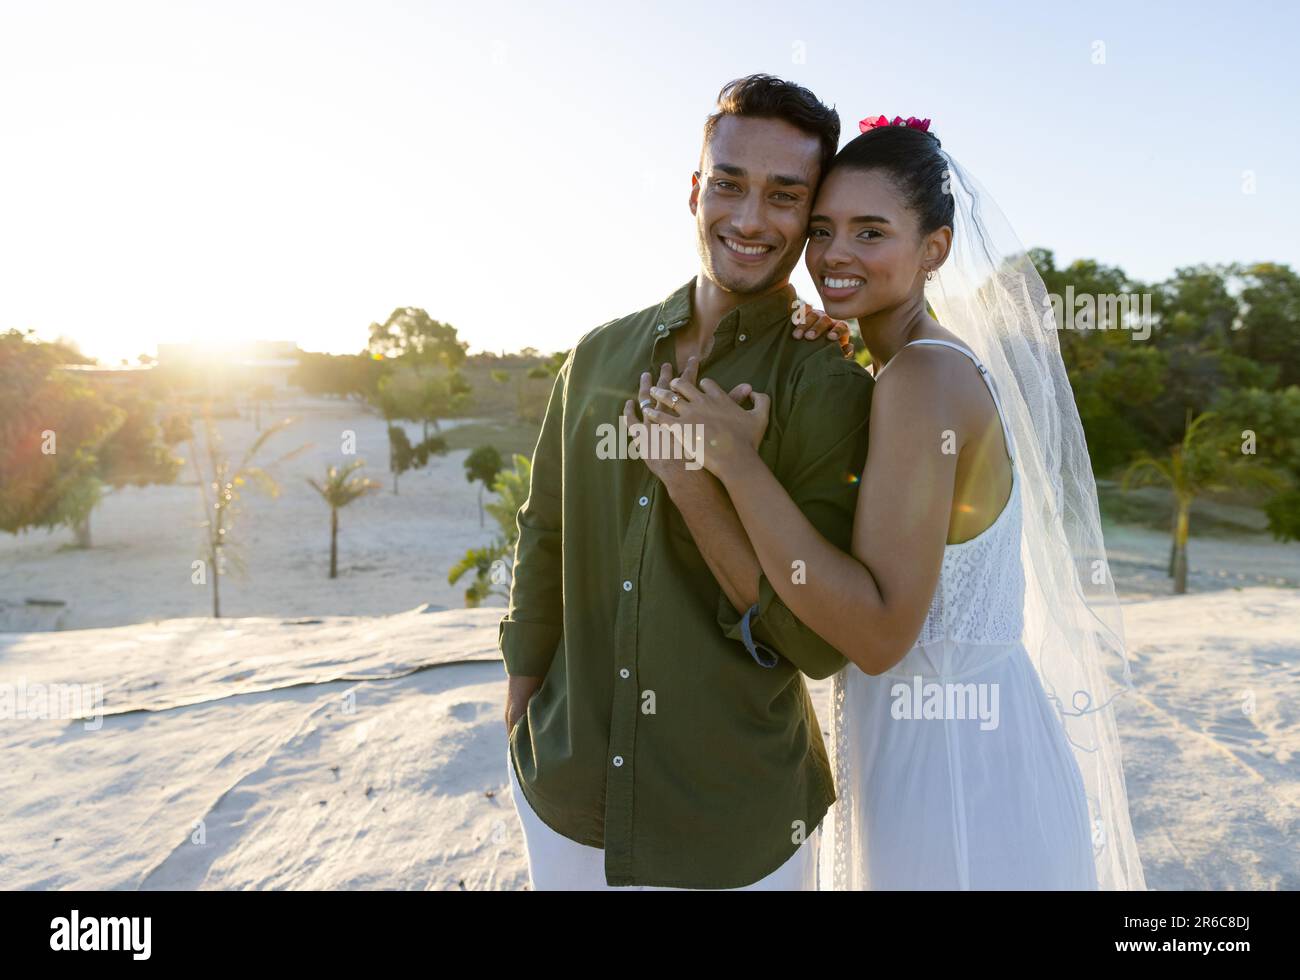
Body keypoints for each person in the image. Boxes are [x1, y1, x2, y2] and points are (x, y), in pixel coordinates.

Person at [643, 115, 1147, 889]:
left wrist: (736, 466)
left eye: (870, 232)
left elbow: (879, 634)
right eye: (822, 230)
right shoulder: (916, 366)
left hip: (953, 776)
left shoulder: (921, 380)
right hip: (963, 738)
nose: (835, 254)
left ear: (934, 249)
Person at [499, 73, 866, 889]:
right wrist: (523, 713)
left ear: (810, 221)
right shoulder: (597, 356)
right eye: (729, 184)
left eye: (783, 195)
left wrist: (704, 485)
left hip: (737, 828)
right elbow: (544, 533)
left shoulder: (827, 384)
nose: (748, 217)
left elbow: (812, 642)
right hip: (562, 799)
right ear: (696, 190)